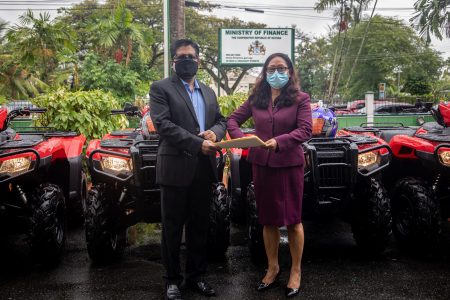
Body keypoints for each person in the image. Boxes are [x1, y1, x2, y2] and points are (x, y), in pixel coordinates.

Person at [227, 53, 312, 298]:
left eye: (281, 68)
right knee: (268, 219)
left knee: (294, 220)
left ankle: (295, 270)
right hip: (262, 164)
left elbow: (305, 130)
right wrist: (243, 139)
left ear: (290, 71)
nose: (276, 73)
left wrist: (280, 141)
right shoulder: (257, 98)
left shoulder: (300, 99)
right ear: (264, 72)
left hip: (288, 164)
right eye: (271, 68)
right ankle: (273, 267)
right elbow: (233, 119)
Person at [150, 39, 226, 300]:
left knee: (199, 226)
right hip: (174, 167)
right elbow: (163, 125)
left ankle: (197, 276)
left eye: (191, 56)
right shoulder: (161, 88)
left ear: (199, 61)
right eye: (181, 56)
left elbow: (220, 120)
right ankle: (171, 279)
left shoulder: (208, 91)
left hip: (203, 169)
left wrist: (214, 134)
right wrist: (198, 144)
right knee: (171, 227)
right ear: (173, 61)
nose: (186, 60)